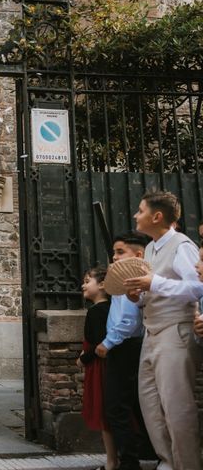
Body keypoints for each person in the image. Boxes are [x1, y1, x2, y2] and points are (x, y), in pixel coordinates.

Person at [123, 191, 202, 470]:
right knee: (151, 406)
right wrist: (139, 296)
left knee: (177, 406)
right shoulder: (151, 248)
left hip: (175, 332)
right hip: (151, 332)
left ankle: (189, 466)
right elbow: (154, 288)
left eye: (140, 210)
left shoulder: (183, 246)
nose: (136, 214)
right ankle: (167, 462)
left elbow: (197, 288)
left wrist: (153, 284)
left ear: (157, 217)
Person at [94, 232, 154, 470]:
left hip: (125, 347)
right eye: (114, 252)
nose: (114, 257)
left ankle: (129, 461)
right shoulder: (124, 281)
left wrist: (107, 343)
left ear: (138, 255)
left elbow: (129, 321)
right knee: (130, 405)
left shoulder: (134, 281)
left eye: (120, 252)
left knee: (117, 407)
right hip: (125, 347)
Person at [76, 265, 116, 470]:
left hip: (100, 366)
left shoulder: (96, 311)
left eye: (87, 280)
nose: (83, 285)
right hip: (107, 364)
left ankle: (111, 462)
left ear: (102, 284)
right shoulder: (112, 308)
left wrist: (83, 359)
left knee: (105, 414)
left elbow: (99, 342)